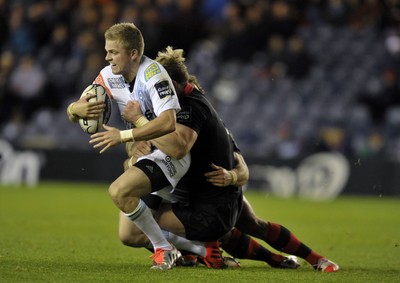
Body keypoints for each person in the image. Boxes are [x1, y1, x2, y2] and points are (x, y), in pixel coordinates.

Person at [121, 46, 339, 272]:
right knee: (255, 225)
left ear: (172, 84)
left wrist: (233, 175)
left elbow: (179, 148)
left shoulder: (190, 108)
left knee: (141, 224)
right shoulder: (183, 107)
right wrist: (136, 146)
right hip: (211, 196)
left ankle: (197, 251)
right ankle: (299, 259)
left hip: (211, 204)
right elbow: (138, 144)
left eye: (159, 85)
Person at [66, 22, 188, 270]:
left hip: (172, 156)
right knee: (129, 235)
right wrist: (73, 109)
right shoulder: (109, 75)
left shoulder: (153, 75)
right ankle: (198, 248)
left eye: (113, 52)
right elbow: (82, 105)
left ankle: (166, 250)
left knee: (119, 191)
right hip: (146, 156)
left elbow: (168, 122)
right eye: (107, 51)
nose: (107, 57)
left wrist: (124, 136)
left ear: (133, 54)